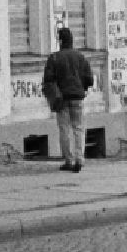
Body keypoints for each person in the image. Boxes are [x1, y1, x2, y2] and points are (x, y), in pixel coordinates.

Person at [43, 26, 94, 173]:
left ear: (60, 41)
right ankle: (80, 159)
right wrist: (81, 87)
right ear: (72, 40)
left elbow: (48, 80)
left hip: (62, 99)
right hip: (78, 97)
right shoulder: (80, 57)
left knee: (64, 129)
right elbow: (89, 80)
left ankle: (69, 160)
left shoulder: (54, 58)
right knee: (78, 128)